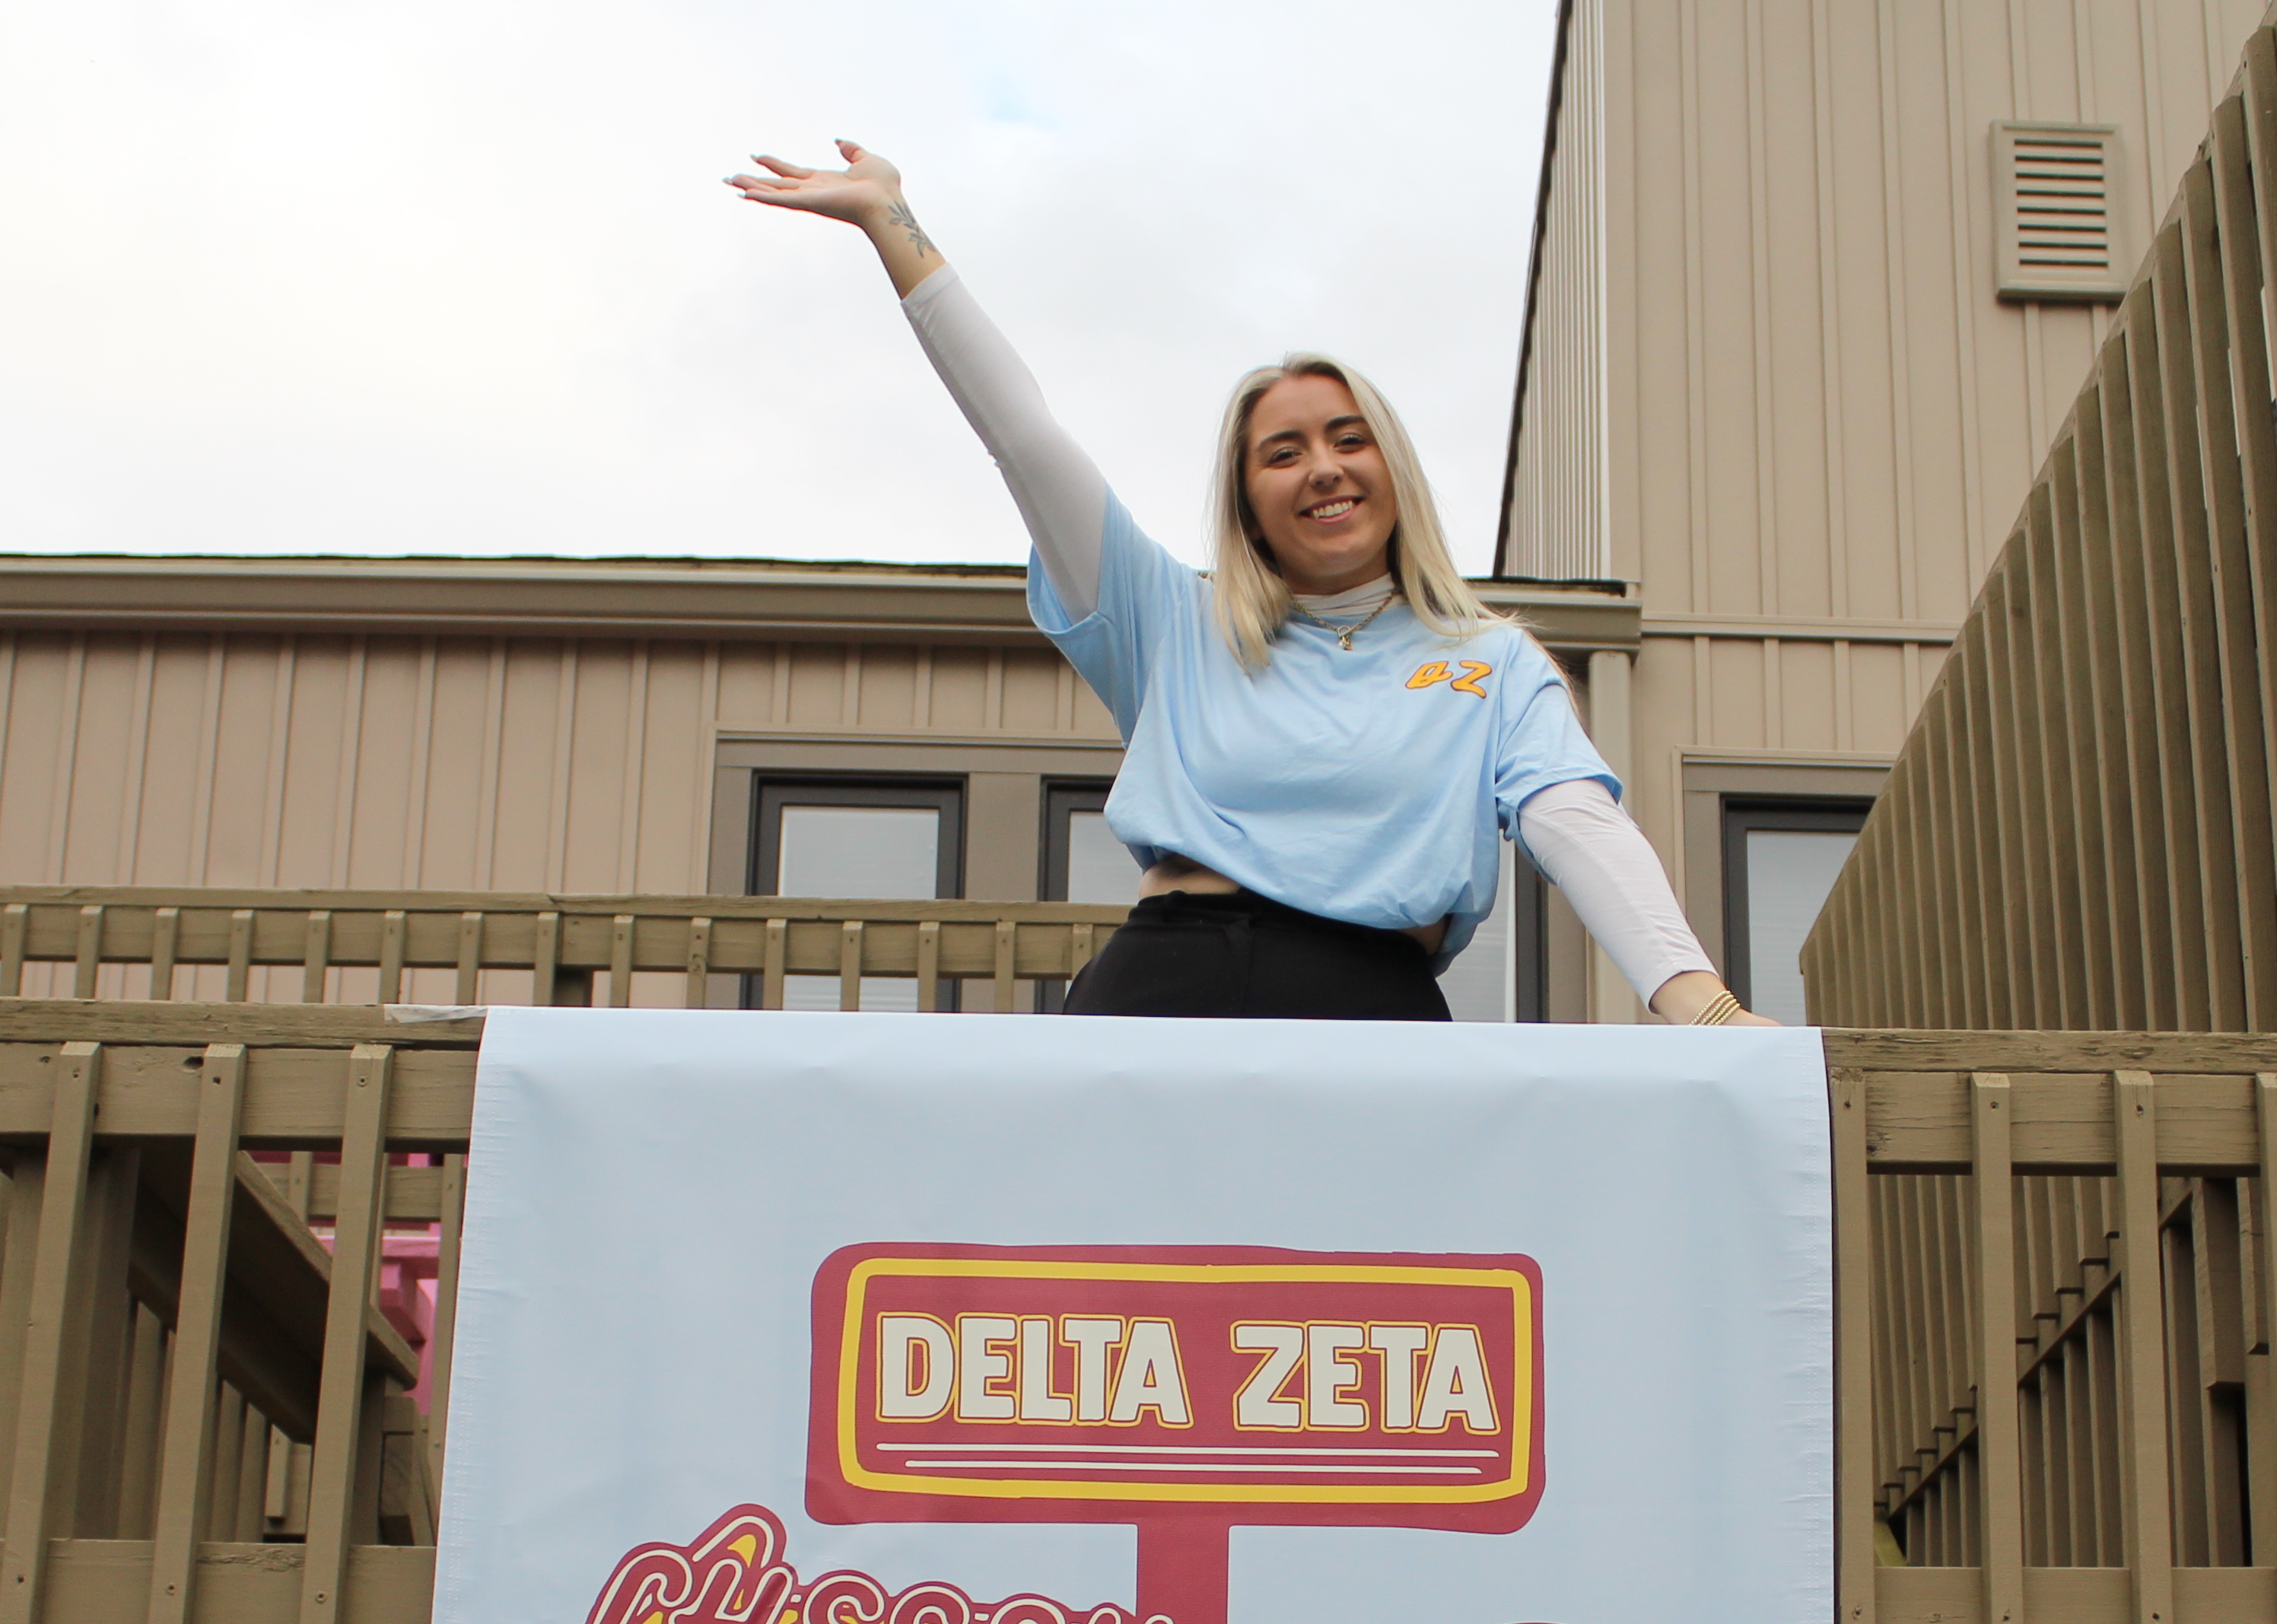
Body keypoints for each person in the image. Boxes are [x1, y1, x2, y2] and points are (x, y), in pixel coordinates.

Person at [730, 141, 1770, 1026]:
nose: (1321, 467)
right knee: (1108, 1270)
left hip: (1373, 1001)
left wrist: (1707, 1011)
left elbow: (1576, 821)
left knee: (1371, 1272)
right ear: (1247, 498)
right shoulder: (1171, 621)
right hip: (1163, 982)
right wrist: (892, 224)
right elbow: (1026, 440)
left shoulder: (1490, 661)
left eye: (1347, 439)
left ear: (1391, 469)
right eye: (1282, 452)